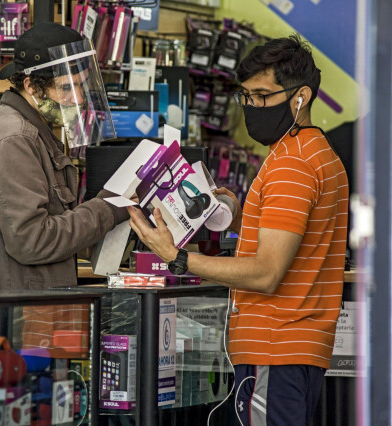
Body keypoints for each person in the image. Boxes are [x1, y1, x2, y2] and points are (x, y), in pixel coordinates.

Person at [127, 35, 348, 425]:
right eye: (246, 96)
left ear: (302, 97)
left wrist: (176, 258)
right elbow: (302, 244)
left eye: (262, 96)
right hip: (294, 350)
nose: (252, 107)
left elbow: (266, 273)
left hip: (275, 349)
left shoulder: (291, 165)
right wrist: (246, 219)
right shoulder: (318, 155)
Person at [0, 22, 128, 291]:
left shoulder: (27, 129)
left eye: (81, 86)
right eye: (66, 88)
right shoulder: (15, 139)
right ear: (31, 85)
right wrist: (106, 211)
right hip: (17, 310)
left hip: (24, 303)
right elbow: (33, 241)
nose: (78, 98)